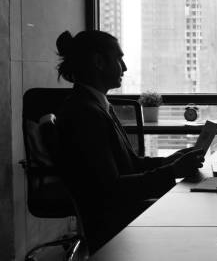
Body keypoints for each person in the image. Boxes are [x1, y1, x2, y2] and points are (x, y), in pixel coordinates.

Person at [54, 30, 203, 253]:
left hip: (118, 212)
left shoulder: (94, 105)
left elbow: (129, 164)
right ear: (98, 62)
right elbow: (112, 190)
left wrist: (168, 162)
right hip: (113, 223)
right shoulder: (85, 114)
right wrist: (172, 172)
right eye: (119, 59)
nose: (124, 68)